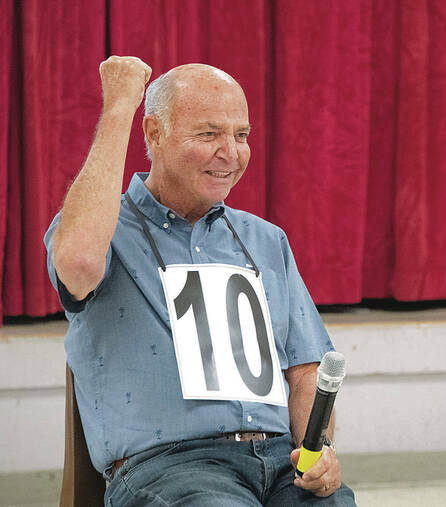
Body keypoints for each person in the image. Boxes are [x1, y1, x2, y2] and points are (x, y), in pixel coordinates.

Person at [44, 56, 356, 506]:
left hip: (284, 463)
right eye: (209, 134)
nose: (230, 153)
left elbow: (306, 367)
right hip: (172, 467)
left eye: (241, 135)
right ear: (153, 133)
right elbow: (74, 262)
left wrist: (321, 450)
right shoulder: (103, 229)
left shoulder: (267, 240)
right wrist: (119, 108)